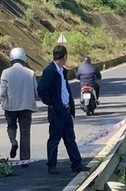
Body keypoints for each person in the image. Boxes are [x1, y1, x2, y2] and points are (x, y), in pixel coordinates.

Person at [37, 45, 91, 175]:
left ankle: (76, 163)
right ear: (65, 56)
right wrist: (51, 103)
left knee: (70, 138)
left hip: (66, 109)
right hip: (56, 110)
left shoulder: (62, 71)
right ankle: (52, 165)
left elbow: (64, 89)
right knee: (54, 138)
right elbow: (41, 89)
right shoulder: (50, 71)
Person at [0, 47, 38, 165]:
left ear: (11, 59)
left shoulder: (6, 72)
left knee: (11, 126)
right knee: (25, 132)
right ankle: (25, 159)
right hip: (26, 107)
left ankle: (13, 142)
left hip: (10, 106)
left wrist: (3, 103)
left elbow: (2, 92)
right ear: (23, 58)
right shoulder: (30, 73)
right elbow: (36, 90)